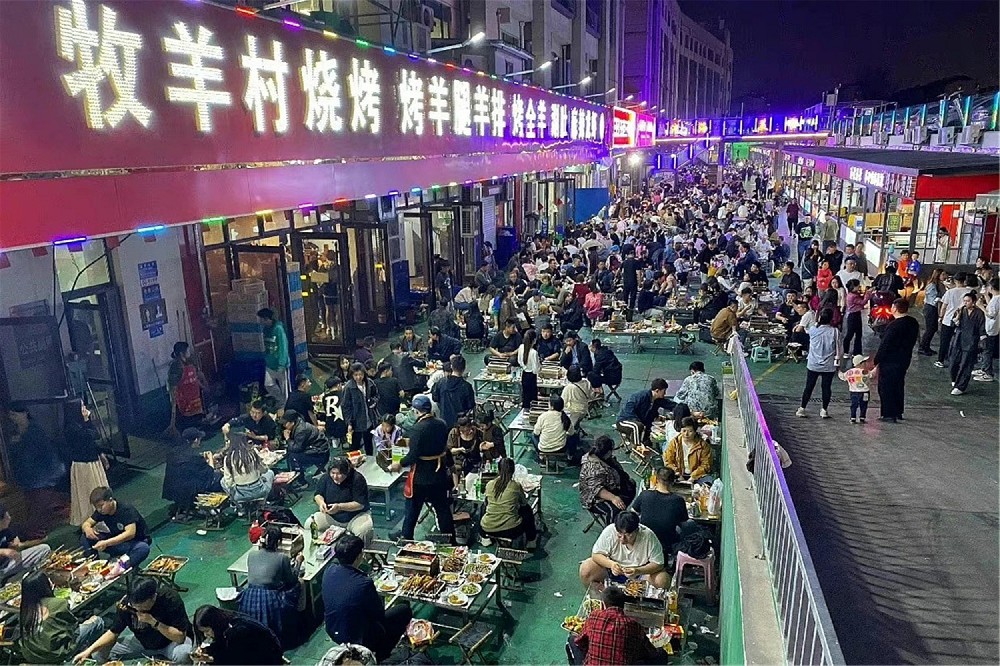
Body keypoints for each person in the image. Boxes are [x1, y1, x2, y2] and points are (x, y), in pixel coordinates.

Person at [322, 534, 412, 661]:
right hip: (358, 637)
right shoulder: (364, 583)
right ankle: (381, 654)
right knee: (403, 610)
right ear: (359, 556)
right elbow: (378, 614)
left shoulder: (329, 571)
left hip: (333, 629)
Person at [73, 576, 193, 664]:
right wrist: (88, 651)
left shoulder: (170, 598)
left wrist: (153, 622)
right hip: (142, 642)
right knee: (99, 652)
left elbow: (180, 637)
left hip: (170, 643)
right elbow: (113, 632)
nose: (136, 609)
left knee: (183, 654)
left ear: (153, 597)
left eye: (141, 606)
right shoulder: (127, 605)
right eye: (134, 605)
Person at [391, 396, 455, 541]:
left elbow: (413, 456)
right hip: (439, 473)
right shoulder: (442, 423)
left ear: (415, 411)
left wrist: (399, 463)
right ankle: (451, 541)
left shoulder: (417, 429)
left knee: (412, 510)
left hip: (421, 477)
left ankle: (406, 537)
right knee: (443, 509)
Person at [5, 404, 66, 539]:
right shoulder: (15, 432)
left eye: (14, 414)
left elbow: (40, 454)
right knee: (34, 505)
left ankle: (38, 532)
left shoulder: (34, 431)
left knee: (39, 506)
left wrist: (19, 443)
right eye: (10, 415)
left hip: (42, 475)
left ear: (25, 413)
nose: (12, 418)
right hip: (28, 476)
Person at [18, 570, 105, 664]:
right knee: (97, 621)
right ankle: (93, 657)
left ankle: (82, 653)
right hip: (57, 654)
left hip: (34, 656)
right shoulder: (58, 603)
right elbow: (72, 627)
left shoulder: (25, 610)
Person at [239, 525, 301, 647]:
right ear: (279, 542)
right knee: (297, 586)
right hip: (268, 600)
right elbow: (291, 580)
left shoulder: (252, 555)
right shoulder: (282, 557)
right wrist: (298, 562)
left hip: (249, 596)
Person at [579, 511, 669, 590]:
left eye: (627, 535)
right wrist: (611, 564)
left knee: (662, 579)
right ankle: (599, 598)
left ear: (637, 530)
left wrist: (638, 571)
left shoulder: (648, 536)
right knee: (586, 569)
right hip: (612, 571)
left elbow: (658, 564)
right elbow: (596, 554)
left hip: (640, 574)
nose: (622, 540)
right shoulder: (610, 531)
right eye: (619, 535)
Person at [570, 586, 659, 666]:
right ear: (624, 606)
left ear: (603, 604)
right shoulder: (633, 625)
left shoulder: (594, 616)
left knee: (571, 639)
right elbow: (650, 652)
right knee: (661, 655)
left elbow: (580, 642)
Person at [872, 299, 920, 423]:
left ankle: (888, 413)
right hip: (904, 359)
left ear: (895, 308)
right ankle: (898, 411)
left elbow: (885, 345)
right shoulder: (913, 322)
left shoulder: (894, 326)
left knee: (886, 387)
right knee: (898, 385)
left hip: (890, 360)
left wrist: (877, 360)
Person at [64, 397, 110, 527]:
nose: (85, 410)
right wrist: (86, 421)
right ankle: (92, 520)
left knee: (99, 488)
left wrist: (100, 453)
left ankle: (104, 516)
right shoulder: (70, 428)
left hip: (92, 462)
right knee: (88, 492)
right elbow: (89, 436)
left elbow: (95, 436)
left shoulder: (81, 424)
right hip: (83, 465)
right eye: (82, 407)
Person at [80, 487, 151, 567]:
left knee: (143, 548)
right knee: (85, 536)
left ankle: (121, 568)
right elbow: (87, 523)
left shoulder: (126, 509)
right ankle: (93, 565)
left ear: (110, 500)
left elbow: (130, 534)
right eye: (96, 507)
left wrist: (106, 543)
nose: (99, 509)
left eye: (101, 505)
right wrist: (87, 529)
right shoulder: (101, 512)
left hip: (134, 542)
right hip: (116, 542)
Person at [310, 458, 374, 546]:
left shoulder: (357, 479)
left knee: (364, 531)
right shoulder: (326, 477)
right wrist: (321, 503)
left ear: (347, 472)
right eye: (333, 473)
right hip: (331, 516)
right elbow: (318, 494)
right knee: (310, 524)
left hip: (355, 517)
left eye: (339, 474)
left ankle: (363, 552)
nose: (335, 477)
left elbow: (360, 504)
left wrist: (339, 507)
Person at [192, 605, 283, 665]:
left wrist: (209, 659)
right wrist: (207, 650)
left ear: (215, 625)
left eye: (207, 631)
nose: (205, 635)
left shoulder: (237, 632)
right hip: (250, 650)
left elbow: (234, 660)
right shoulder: (225, 619)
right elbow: (225, 645)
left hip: (267, 657)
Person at [162, 428, 223, 516]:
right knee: (219, 475)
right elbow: (209, 472)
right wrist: (210, 458)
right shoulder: (194, 457)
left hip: (172, 490)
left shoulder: (173, 452)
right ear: (196, 440)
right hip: (189, 491)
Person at [480, 457, 538, 549]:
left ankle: (484, 538)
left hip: (488, 528)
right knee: (527, 510)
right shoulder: (515, 485)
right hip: (511, 530)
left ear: (498, 470)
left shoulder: (490, 484)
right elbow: (523, 503)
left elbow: (487, 503)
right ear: (513, 471)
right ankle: (531, 540)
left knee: (484, 506)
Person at [795, 308, 842, 418]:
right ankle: (824, 410)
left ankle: (802, 408)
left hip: (813, 364)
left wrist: (817, 320)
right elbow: (839, 349)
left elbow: (805, 328)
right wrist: (838, 363)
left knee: (809, 386)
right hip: (828, 365)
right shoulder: (835, 332)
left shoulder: (813, 330)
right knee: (826, 387)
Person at [579, 436, 637, 524]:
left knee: (631, 486)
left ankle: (621, 512)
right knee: (615, 509)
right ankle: (612, 528)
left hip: (612, 487)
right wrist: (613, 498)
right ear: (609, 451)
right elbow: (595, 489)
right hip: (594, 498)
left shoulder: (606, 458)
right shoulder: (593, 467)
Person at [631, 467, 688, 555]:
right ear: (673, 482)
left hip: (646, 540)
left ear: (657, 480)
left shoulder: (645, 495)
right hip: (667, 542)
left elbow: (633, 513)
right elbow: (683, 520)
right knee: (688, 525)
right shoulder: (678, 500)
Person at [0, 504, 51, 583]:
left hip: (8, 564)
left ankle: (35, 576)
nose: (9, 518)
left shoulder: (6, 530)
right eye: (6, 517)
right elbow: (5, 552)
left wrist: (39, 541)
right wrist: (3, 551)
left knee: (44, 548)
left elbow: (18, 545)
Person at [949, 291, 987, 395]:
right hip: (959, 340)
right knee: (953, 363)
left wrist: (982, 340)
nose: (965, 303)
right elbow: (953, 324)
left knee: (966, 365)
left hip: (971, 341)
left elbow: (982, 328)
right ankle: (955, 379)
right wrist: (957, 318)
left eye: (968, 301)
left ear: (973, 302)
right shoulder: (960, 311)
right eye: (964, 301)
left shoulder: (979, 313)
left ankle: (961, 386)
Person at [219, 435, 275, 506]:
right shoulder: (253, 453)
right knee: (270, 473)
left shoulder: (228, 458)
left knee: (223, 481)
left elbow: (229, 482)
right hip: (260, 491)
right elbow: (264, 470)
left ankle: (238, 505)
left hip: (240, 495)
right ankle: (263, 501)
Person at [166, 341, 207, 435]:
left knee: (198, 427)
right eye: (188, 350)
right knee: (188, 430)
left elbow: (194, 378)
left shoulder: (189, 362)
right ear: (182, 353)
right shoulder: (175, 367)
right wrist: (173, 404)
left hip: (195, 402)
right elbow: (173, 387)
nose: (189, 352)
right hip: (184, 404)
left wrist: (203, 387)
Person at [617, 378, 671, 447]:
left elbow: (669, 404)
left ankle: (645, 444)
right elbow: (629, 409)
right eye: (664, 391)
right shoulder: (641, 396)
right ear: (657, 391)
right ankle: (637, 447)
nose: (665, 393)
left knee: (650, 429)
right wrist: (637, 420)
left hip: (641, 422)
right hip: (625, 420)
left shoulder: (657, 399)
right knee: (637, 426)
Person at [341, 363, 380, 455]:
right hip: (356, 421)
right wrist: (349, 423)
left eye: (360, 374)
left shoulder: (369, 383)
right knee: (355, 445)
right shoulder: (349, 387)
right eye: (356, 375)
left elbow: (376, 395)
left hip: (369, 419)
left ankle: (370, 460)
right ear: (352, 375)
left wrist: (373, 402)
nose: (358, 377)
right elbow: (345, 406)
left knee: (369, 443)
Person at [663, 415, 714, 483]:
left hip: (697, 476)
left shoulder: (703, 445)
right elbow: (668, 462)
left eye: (690, 431)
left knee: (708, 480)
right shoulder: (674, 443)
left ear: (695, 432)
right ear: (680, 431)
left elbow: (706, 464)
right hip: (678, 475)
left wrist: (693, 477)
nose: (686, 434)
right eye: (684, 431)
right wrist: (677, 473)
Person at [431, 355, 476, 428]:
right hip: (460, 424)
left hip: (444, 421)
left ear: (451, 366)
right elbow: (470, 405)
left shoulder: (441, 382)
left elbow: (435, 398)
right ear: (464, 368)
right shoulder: (467, 387)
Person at [282, 409, 328, 478]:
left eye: (285, 423)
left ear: (292, 422)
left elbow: (297, 448)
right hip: (318, 448)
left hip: (320, 453)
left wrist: (288, 439)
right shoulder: (299, 424)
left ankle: (300, 478)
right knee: (291, 452)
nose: (284, 425)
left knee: (293, 455)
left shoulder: (301, 430)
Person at [935, 273, 969, 368]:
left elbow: (944, 306)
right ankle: (959, 360)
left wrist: (940, 316)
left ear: (955, 281)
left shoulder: (950, 292)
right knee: (961, 341)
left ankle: (941, 360)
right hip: (964, 319)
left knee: (945, 340)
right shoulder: (969, 291)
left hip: (949, 318)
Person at [258, 308, 290, 404]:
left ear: (267, 319)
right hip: (270, 364)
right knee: (268, 385)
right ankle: (280, 401)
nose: (260, 322)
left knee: (285, 389)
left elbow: (283, 347)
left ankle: (286, 405)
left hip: (280, 364)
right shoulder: (265, 330)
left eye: (261, 319)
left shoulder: (278, 329)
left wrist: (282, 364)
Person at [975, 277, 1000, 382]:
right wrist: (986, 296)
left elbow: (991, 315)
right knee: (986, 349)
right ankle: (984, 368)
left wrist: (981, 306)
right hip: (993, 327)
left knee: (987, 350)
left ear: (992, 287)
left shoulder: (997, 300)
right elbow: (991, 306)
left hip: (991, 328)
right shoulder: (996, 298)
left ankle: (988, 373)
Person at [917, 269, 947, 356]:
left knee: (933, 328)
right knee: (930, 329)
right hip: (930, 308)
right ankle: (922, 347)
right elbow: (932, 299)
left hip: (933, 308)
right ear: (938, 275)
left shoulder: (938, 284)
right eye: (943, 274)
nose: (944, 276)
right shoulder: (932, 285)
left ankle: (926, 346)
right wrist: (941, 299)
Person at [839, 354, 874, 424]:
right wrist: (877, 367)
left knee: (854, 405)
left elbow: (842, 377)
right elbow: (872, 375)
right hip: (865, 392)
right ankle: (862, 417)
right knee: (864, 405)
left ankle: (853, 417)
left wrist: (839, 371)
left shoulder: (850, 372)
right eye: (864, 362)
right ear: (860, 363)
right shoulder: (864, 371)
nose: (865, 363)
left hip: (853, 392)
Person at [517, 329, 541, 409]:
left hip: (524, 374)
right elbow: (535, 369)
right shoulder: (534, 352)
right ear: (534, 340)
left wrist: (525, 367)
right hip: (531, 376)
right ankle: (533, 410)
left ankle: (525, 410)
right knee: (532, 396)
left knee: (525, 395)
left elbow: (519, 361)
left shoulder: (521, 347)